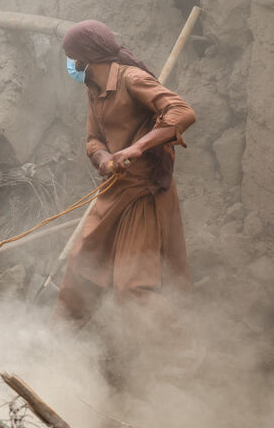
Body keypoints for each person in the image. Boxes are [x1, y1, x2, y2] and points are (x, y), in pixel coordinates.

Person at [54, 20, 196, 323]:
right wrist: (105, 158)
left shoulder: (132, 79)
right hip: (113, 192)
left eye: (70, 56)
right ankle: (56, 348)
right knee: (80, 272)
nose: (69, 64)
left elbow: (182, 112)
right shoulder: (94, 89)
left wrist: (136, 148)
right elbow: (93, 140)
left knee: (132, 289)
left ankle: (183, 356)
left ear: (84, 58)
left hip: (144, 195)